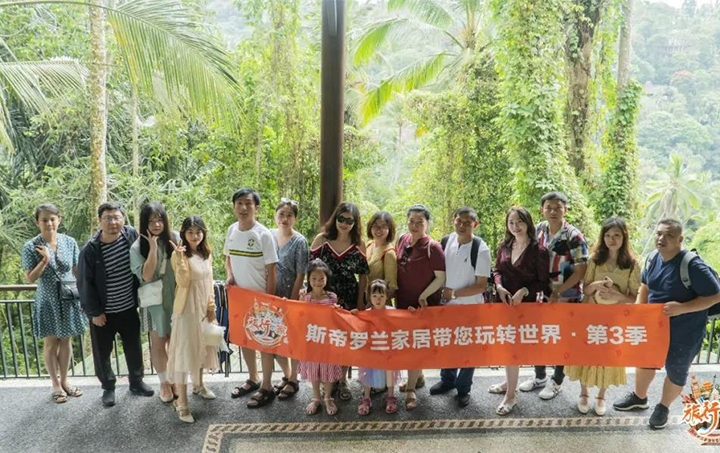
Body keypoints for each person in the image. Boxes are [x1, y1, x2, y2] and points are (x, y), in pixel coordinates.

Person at [613, 219, 720, 429]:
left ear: (680, 239)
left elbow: (716, 295)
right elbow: (645, 285)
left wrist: (682, 308)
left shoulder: (692, 265)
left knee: (676, 370)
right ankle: (639, 397)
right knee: (645, 361)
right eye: (659, 234)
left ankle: (663, 407)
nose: (662, 238)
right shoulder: (653, 258)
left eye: (669, 235)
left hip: (685, 333)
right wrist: (640, 311)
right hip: (654, 327)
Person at [78, 202, 154, 407]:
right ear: (100, 221)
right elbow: (84, 283)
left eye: (117, 217)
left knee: (133, 346)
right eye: (108, 218)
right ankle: (108, 387)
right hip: (103, 312)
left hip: (128, 306)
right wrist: (94, 312)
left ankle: (136, 382)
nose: (113, 222)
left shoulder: (130, 235)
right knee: (103, 352)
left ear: (123, 218)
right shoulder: (91, 249)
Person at [566, 218, 640, 416]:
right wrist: (596, 286)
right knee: (585, 353)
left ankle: (601, 396)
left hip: (614, 319)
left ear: (624, 237)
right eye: (607, 235)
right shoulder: (594, 259)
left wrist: (617, 295)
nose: (611, 239)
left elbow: (633, 298)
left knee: (608, 356)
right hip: (590, 315)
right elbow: (585, 289)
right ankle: (583, 393)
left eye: (616, 235)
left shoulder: (632, 264)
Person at [521, 191, 588, 400]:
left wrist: (558, 292)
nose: (553, 211)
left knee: (562, 339)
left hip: (567, 296)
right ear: (542, 210)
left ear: (565, 210)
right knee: (539, 336)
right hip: (541, 295)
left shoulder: (574, 236)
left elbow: (581, 270)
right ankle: (539, 376)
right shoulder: (538, 230)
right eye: (548, 207)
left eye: (558, 207)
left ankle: (557, 381)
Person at [488, 207, 551, 416]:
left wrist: (524, 291)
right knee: (507, 347)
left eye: (519, 222)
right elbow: (496, 270)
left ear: (528, 223)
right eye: (511, 222)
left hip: (525, 307)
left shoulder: (539, 251)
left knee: (513, 349)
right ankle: (509, 382)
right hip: (503, 304)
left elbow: (543, 282)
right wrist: (499, 287)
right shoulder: (505, 245)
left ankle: (511, 396)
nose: (515, 226)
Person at [22, 203, 87, 404]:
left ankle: (65, 381)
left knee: (66, 341)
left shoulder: (69, 242)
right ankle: (55, 384)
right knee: (51, 343)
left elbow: (76, 271)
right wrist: (45, 260)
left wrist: (84, 296)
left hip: (68, 298)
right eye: (44, 220)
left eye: (52, 219)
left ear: (59, 220)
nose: (49, 223)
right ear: (37, 222)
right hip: (48, 300)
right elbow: (30, 278)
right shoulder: (31, 246)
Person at [429, 207, 491, 408]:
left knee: (468, 349)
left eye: (468, 222)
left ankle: (463, 389)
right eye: (459, 221)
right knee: (448, 344)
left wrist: (454, 293)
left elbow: (481, 285)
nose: (463, 225)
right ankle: (447, 380)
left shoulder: (480, 249)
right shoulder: (447, 241)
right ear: (453, 220)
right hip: (448, 307)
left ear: (475, 224)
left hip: (470, 308)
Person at [224, 188, 279, 408]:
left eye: (248, 203)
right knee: (244, 339)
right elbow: (228, 258)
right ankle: (253, 378)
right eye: (239, 203)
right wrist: (230, 276)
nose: (243, 208)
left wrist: (270, 301)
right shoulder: (231, 230)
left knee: (265, 343)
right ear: (233, 207)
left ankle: (267, 386)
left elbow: (272, 270)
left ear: (256, 207)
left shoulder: (263, 234)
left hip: (261, 300)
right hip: (239, 297)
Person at [310, 202, 369, 401]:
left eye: (349, 220)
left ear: (355, 223)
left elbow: (363, 276)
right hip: (324, 300)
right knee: (327, 340)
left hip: (349, 299)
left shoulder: (359, 244)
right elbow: (310, 270)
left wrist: (360, 302)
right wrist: (311, 297)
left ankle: (342, 380)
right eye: (341, 218)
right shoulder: (322, 240)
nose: (344, 223)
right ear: (335, 218)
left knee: (346, 340)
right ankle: (328, 380)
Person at [166, 216, 219, 423]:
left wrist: (211, 307)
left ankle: (199, 384)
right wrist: (180, 258)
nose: (195, 236)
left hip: (203, 307)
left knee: (202, 346)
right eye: (190, 232)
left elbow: (210, 281)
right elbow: (183, 281)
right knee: (184, 352)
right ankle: (182, 402)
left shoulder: (206, 252)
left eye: (198, 232)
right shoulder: (178, 254)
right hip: (187, 308)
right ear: (183, 234)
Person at [395, 204, 446, 410]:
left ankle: (410, 389)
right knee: (408, 342)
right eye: (411, 221)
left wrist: (423, 295)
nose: (415, 225)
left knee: (415, 345)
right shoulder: (402, 239)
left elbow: (440, 277)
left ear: (427, 223)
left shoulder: (433, 247)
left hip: (422, 304)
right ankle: (418, 376)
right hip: (402, 302)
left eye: (420, 222)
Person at [129, 202, 177, 403]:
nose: (157, 225)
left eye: (160, 220)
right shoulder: (137, 247)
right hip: (153, 303)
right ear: (144, 223)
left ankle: (175, 379)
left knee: (175, 343)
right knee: (158, 344)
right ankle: (164, 383)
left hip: (176, 300)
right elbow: (147, 275)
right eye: (151, 221)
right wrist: (153, 248)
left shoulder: (174, 239)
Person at [270, 198, 309, 400]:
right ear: (275, 215)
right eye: (281, 214)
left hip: (291, 297)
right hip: (271, 296)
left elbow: (301, 274)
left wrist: (292, 302)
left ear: (295, 218)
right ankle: (286, 374)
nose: (284, 219)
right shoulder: (268, 235)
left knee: (292, 339)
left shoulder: (300, 241)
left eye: (289, 215)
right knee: (273, 338)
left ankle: (294, 379)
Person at [298, 259, 344, 416]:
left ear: (326, 279)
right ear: (308, 279)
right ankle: (316, 397)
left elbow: (336, 318)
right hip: (311, 340)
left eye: (321, 278)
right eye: (314, 278)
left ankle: (328, 397)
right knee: (314, 369)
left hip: (328, 340)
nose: (317, 282)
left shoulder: (332, 297)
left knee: (328, 368)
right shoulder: (306, 297)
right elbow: (299, 314)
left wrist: (337, 310)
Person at [354, 279, 401, 415]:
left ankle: (391, 397)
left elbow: (404, 324)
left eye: (381, 295)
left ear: (387, 296)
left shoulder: (393, 312)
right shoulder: (366, 313)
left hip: (388, 351)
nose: (378, 299)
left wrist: (412, 313)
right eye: (374, 296)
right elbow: (357, 327)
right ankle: (366, 398)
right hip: (372, 350)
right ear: (369, 296)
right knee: (367, 373)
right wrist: (353, 316)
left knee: (390, 374)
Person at [365, 211, 398, 303]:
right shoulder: (369, 245)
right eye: (375, 225)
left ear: (389, 229)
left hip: (380, 303)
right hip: (365, 299)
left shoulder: (389, 253)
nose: (379, 229)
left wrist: (375, 302)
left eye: (383, 226)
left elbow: (391, 287)